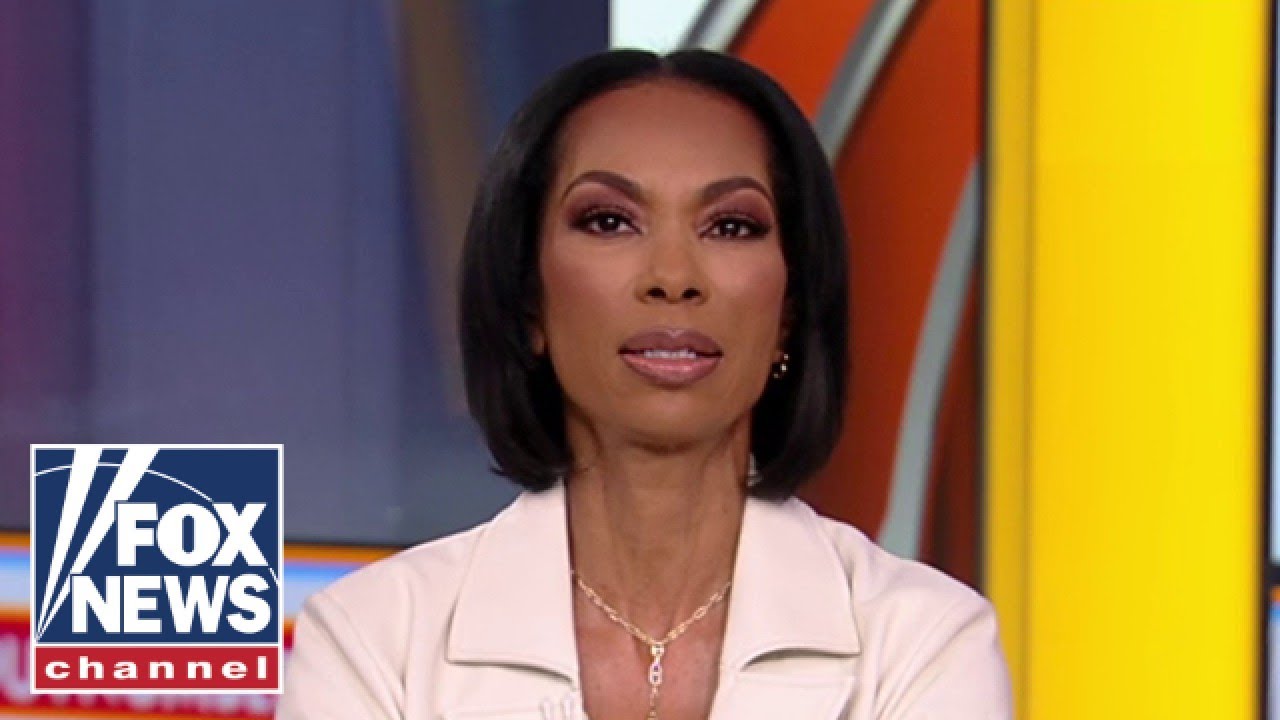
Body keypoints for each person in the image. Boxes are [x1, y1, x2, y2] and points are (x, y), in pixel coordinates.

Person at [277, 48, 1011, 720]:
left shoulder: (922, 644)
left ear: (789, 310)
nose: (673, 277)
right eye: (610, 221)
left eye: (730, 226)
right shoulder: (373, 643)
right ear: (529, 299)